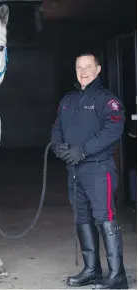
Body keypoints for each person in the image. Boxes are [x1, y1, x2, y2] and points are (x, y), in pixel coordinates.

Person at [51, 52, 128, 289]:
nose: (83, 72)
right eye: (79, 68)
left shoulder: (106, 100)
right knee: (82, 218)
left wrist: (83, 151)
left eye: (88, 67)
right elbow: (57, 129)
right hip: (74, 171)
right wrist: (58, 147)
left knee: (104, 217)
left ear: (98, 69)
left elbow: (113, 130)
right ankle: (92, 270)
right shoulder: (68, 100)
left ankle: (117, 275)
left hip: (98, 169)